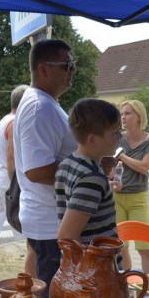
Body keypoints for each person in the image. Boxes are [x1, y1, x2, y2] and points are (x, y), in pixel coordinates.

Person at [13, 39, 79, 298]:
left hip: (53, 223)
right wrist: (85, 168)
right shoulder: (41, 108)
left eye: (73, 65)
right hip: (51, 225)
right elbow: (37, 169)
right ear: (44, 70)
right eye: (67, 65)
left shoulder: (45, 104)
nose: (73, 70)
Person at [0, 85, 37, 276]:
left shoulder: (5, 119)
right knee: (27, 226)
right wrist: (16, 183)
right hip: (8, 179)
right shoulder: (15, 122)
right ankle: (32, 269)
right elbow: (11, 157)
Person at [55, 99, 123, 257]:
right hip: (96, 272)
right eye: (115, 132)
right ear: (92, 140)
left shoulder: (67, 163)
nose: (120, 135)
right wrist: (87, 274)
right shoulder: (92, 177)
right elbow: (67, 235)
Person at [114, 100, 149, 275]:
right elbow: (108, 164)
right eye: (122, 113)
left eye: (127, 113)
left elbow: (143, 167)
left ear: (139, 117)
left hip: (138, 199)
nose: (123, 117)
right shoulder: (117, 137)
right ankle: (126, 286)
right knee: (120, 247)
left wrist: (121, 155)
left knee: (145, 249)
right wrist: (112, 180)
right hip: (117, 198)